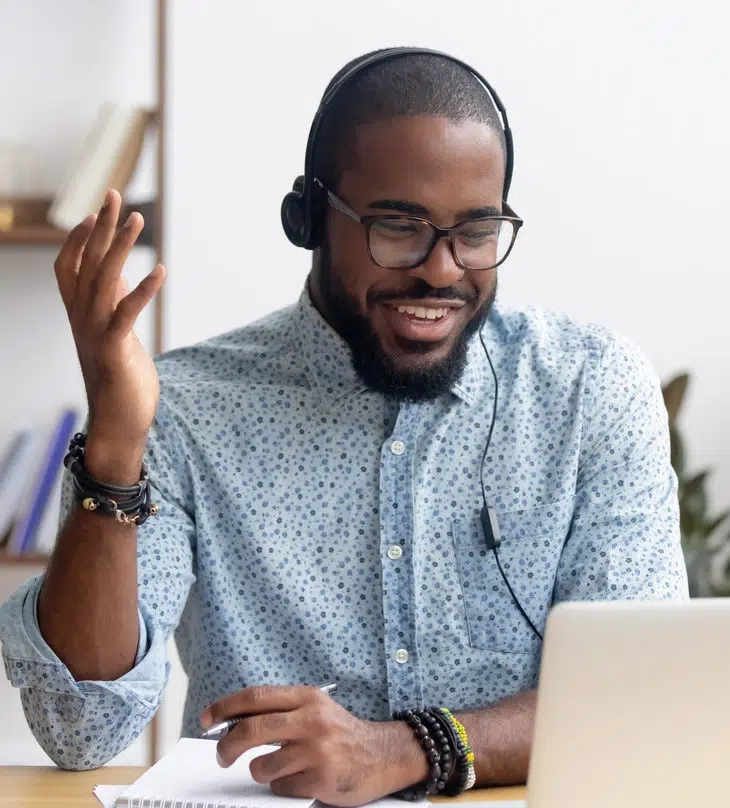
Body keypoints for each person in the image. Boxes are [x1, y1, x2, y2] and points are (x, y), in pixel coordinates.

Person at [0, 48, 687, 802]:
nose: (442, 270)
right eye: (398, 227)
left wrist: (407, 750)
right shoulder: (183, 410)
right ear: (309, 220)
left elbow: (638, 698)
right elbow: (79, 730)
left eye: (476, 231)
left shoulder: (589, 388)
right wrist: (115, 444)